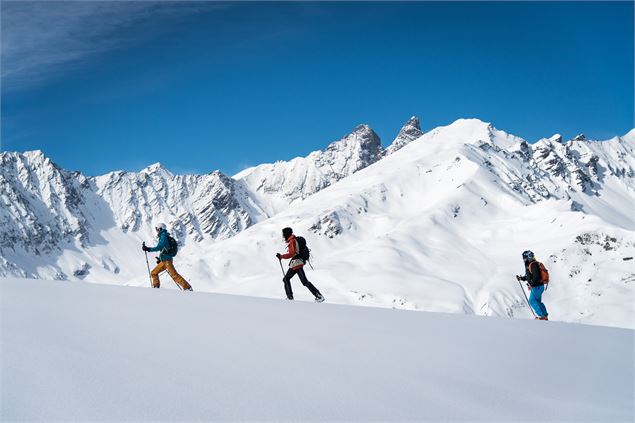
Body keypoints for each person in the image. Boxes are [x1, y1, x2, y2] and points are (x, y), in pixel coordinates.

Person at [276, 227, 325, 302]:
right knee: (302, 281)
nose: (283, 236)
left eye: (283, 234)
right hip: (297, 263)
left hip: (296, 263)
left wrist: (281, 256)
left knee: (287, 279)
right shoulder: (293, 240)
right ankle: (318, 295)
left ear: (286, 234)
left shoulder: (292, 241)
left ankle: (290, 298)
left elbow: (292, 253)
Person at [142, 223, 193, 291]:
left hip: (167, 261)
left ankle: (188, 288)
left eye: (157, 229)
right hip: (164, 260)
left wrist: (148, 249)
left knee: (174, 275)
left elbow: (159, 247)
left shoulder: (164, 237)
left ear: (160, 229)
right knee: (153, 273)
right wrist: (160, 259)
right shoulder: (163, 236)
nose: (157, 231)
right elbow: (164, 249)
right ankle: (156, 288)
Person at [516, 250, 548, 320]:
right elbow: (529, 276)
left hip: (537, 286)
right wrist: (521, 278)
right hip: (538, 286)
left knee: (532, 301)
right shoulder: (531, 264)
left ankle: (542, 316)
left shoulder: (533, 265)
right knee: (537, 301)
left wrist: (532, 285)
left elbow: (537, 277)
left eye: (524, 258)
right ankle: (544, 315)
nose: (523, 259)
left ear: (528, 257)